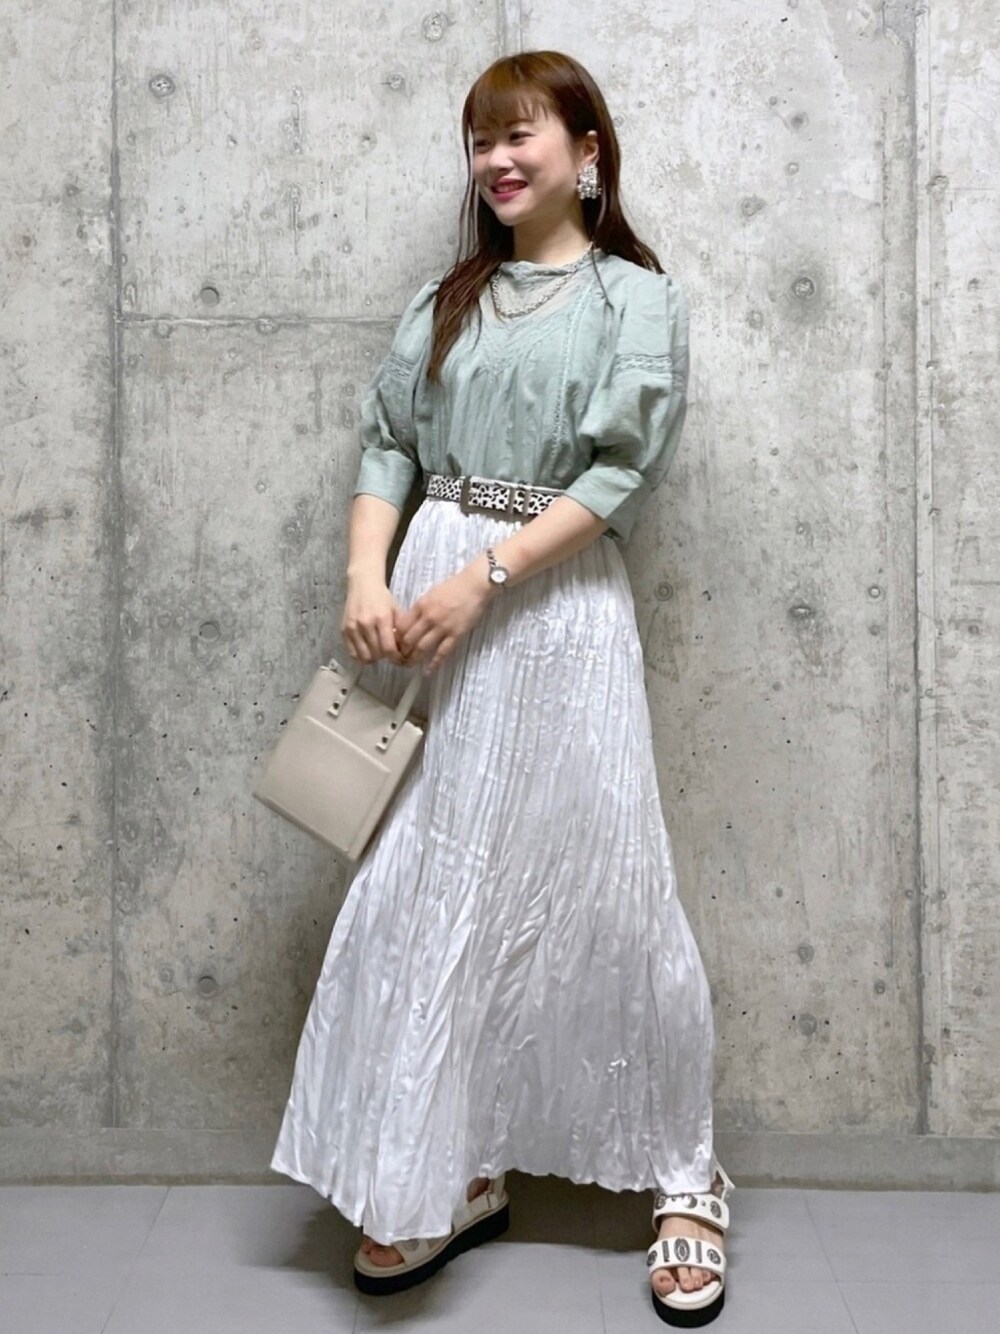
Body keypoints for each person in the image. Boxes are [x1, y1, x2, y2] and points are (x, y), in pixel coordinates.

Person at [270, 49, 735, 1327]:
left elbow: (618, 472)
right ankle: (452, 1167)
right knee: (428, 885)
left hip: (554, 604)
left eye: (521, 133)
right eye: (481, 139)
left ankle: (686, 1174)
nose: (497, 158)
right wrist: (366, 576)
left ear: (587, 152)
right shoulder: (445, 297)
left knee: (607, 881)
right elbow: (387, 441)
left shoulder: (636, 299)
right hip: (431, 608)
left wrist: (485, 573)